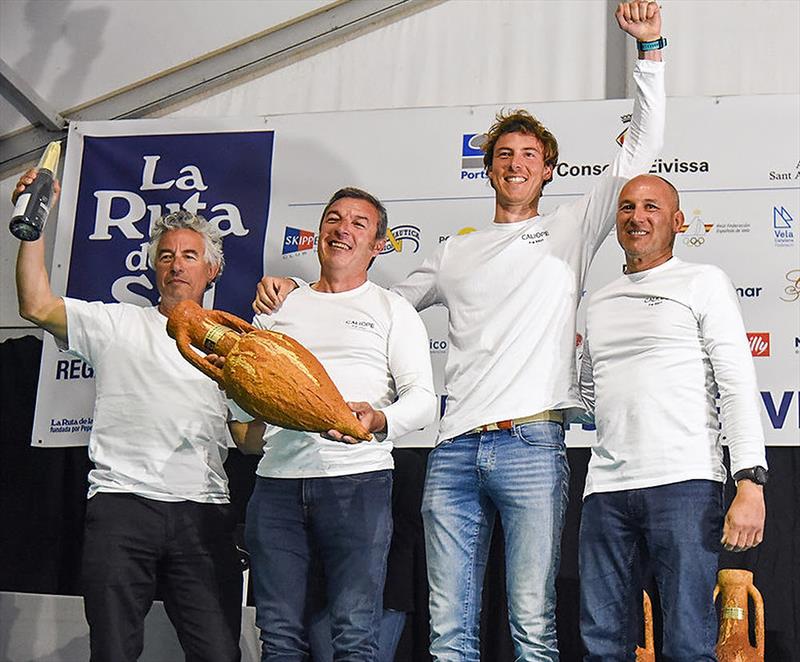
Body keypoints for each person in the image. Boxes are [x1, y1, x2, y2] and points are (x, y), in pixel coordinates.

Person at [253, 3, 666, 659]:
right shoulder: (452, 252)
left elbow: (640, 150)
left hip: (533, 444)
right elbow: (370, 304)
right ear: (488, 167)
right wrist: (292, 293)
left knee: (532, 628)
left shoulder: (571, 229)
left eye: (530, 154)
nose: (515, 163)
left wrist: (650, 51)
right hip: (450, 453)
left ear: (550, 169)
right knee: (449, 634)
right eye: (504, 154)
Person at [13, 170, 242, 662]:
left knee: (221, 654)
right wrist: (35, 224)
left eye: (189, 255)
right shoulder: (115, 323)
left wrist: (302, 422)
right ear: (153, 268)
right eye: (166, 255)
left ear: (212, 271)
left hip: (202, 513)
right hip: (122, 507)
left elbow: (249, 439)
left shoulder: (237, 350)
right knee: (114, 652)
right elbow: (34, 304)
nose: (176, 265)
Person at [231, 187, 436, 661]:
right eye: (333, 219)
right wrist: (248, 411)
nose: (342, 229)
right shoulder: (277, 308)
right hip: (276, 486)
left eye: (358, 224)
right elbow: (245, 398)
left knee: (354, 635)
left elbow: (424, 401)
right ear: (319, 233)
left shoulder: (392, 309)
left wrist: (380, 417)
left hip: (357, 483)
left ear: (377, 245)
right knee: (278, 638)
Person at [577, 174, 767, 661]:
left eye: (651, 207)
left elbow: (737, 384)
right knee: (601, 644)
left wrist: (750, 480)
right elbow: (588, 388)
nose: (636, 217)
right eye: (626, 207)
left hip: (684, 483)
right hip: (605, 490)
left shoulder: (703, 281)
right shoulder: (597, 301)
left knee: (687, 642)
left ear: (678, 222)